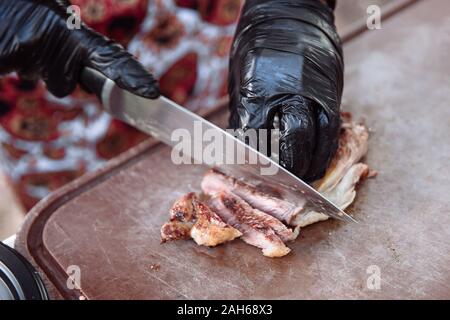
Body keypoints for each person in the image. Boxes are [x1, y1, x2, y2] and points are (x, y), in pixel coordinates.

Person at [0, 0, 343, 210]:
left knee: (254, 126)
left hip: (198, 26)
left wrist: (290, 7)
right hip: (37, 82)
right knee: (83, 220)